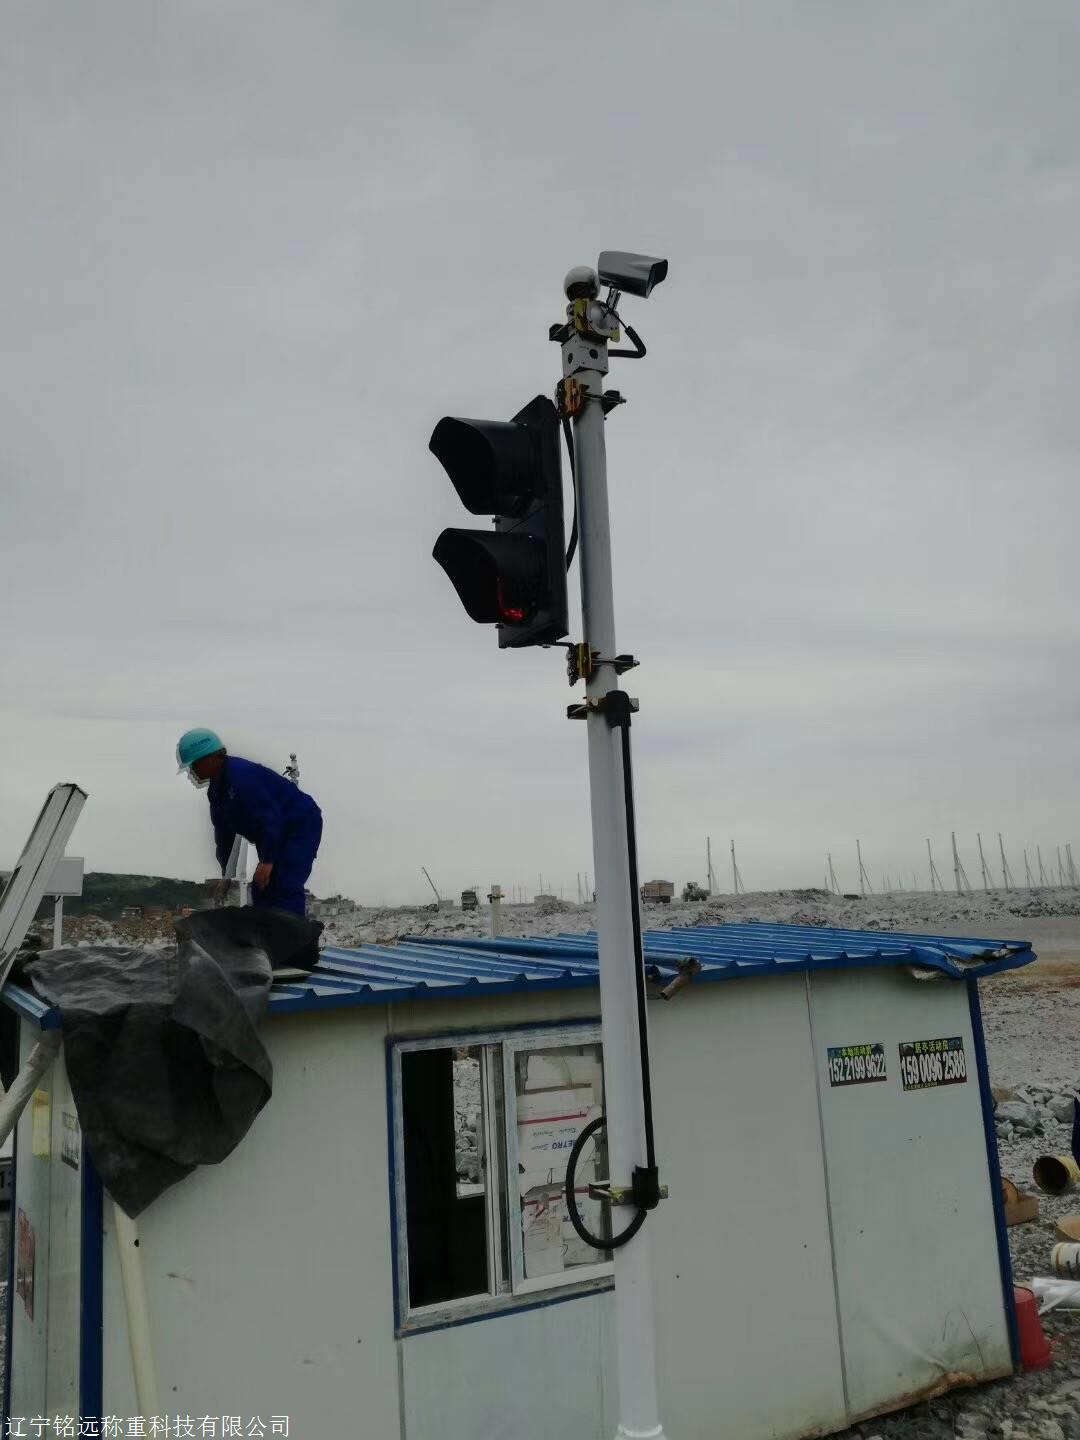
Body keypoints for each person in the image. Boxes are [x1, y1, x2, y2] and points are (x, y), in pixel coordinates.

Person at [176, 728, 323, 917]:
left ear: (211, 759)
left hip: (299, 825)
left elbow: (272, 817)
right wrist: (227, 875)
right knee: (261, 887)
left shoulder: (243, 778)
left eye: (194, 765)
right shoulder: (216, 791)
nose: (192, 772)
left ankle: (292, 932)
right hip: (270, 831)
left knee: (285, 883)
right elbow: (223, 833)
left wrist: (267, 860)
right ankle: (266, 932)